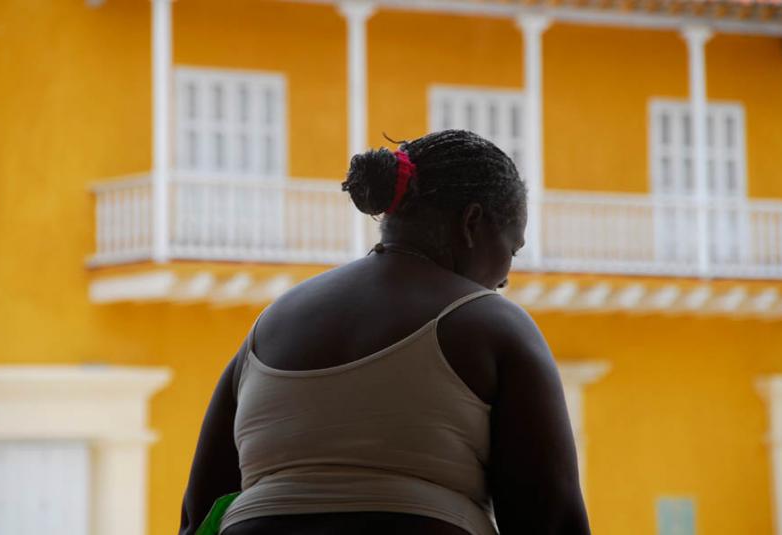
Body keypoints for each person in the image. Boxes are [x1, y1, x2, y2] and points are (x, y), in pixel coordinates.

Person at [178, 130, 591, 535]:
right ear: (472, 223)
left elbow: (197, 518)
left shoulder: (270, 324)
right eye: (511, 250)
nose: (504, 279)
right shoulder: (491, 322)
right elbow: (549, 518)